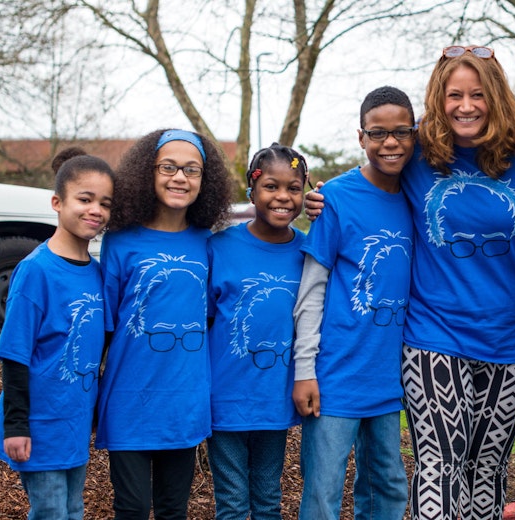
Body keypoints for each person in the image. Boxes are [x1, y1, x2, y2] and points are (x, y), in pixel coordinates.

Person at [305, 46, 515, 520]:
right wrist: (317, 197)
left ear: (495, 97)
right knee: (438, 467)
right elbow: (374, 163)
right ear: (438, 100)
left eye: (478, 94)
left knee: (488, 470)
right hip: (433, 336)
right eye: (454, 95)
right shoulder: (419, 154)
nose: (466, 105)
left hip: (511, 344)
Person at [292, 86, 414, 520]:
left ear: (415, 134)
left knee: (387, 485)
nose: (390, 143)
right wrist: (304, 369)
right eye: (377, 133)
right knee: (323, 492)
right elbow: (312, 288)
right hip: (335, 375)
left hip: (390, 377)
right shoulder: (337, 198)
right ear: (361, 138)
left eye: (401, 132)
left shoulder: (418, 196)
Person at [96, 129, 232, 519]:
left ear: (205, 181)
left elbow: (210, 318)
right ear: (147, 172)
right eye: (168, 167)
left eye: (192, 170)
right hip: (128, 399)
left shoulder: (209, 243)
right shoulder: (120, 241)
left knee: (174, 509)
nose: (180, 178)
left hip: (184, 402)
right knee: (133, 509)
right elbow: (106, 323)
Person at [0, 148, 115, 519]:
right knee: (50, 511)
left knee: (73, 508)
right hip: (39, 422)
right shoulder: (36, 271)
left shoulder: (97, 271)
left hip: (73, 420)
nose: (96, 210)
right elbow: (14, 353)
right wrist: (16, 425)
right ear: (57, 202)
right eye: (85, 199)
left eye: (105, 203)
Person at [205, 143, 308, 519]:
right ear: (252, 189)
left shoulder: (309, 253)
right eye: (271, 187)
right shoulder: (219, 248)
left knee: (268, 500)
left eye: (293, 187)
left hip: (275, 400)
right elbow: (204, 324)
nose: (282, 197)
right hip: (226, 400)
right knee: (232, 504)